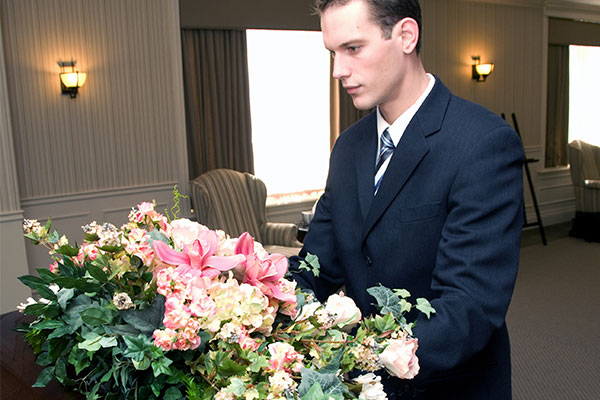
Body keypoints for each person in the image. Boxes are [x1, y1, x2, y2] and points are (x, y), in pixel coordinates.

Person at [289, 0, 524, 398]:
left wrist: (362, 356)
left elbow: (469, 306)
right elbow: (316, 268)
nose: (338, 70)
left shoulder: (483, 143)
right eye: (333, 53)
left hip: (449, 386)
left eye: (353, 48)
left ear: (406, 36)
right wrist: (251, 304)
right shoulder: (348, 147)